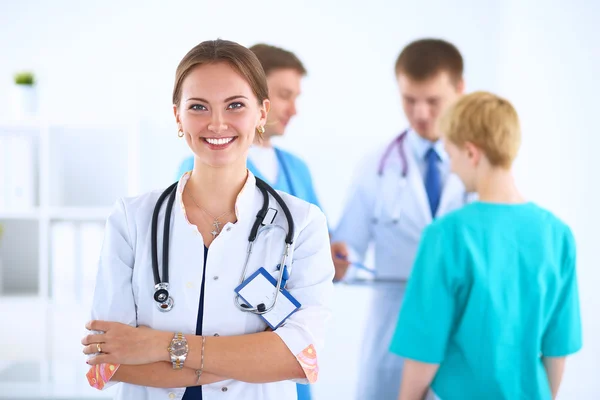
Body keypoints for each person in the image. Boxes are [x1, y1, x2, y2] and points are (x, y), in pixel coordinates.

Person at [81, 39, 334, 400]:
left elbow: (299, 360)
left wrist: (157, 345)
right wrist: (254, 356)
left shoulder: (304, 224)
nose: (217, 123)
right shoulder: (132, 220)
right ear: (177, 116)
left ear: (262, 113)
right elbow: (110, 362)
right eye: (198, 106)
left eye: (235, 105)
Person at [389, 91, 582, 400]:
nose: (451, 168)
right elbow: (557, 351)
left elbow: (424, 350)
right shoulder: (558, 234)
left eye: (451, 155)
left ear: (471, 153)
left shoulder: (445, 235)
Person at [330, 39, 469, 400]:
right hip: (395, 334)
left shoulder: (480, 165)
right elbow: (348, 249)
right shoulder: (376, 166)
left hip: (462, 334)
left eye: (433, 101)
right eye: (409, 100)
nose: (420, 113)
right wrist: (338, 258)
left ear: (459, 90)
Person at [177, 43, 322, 210]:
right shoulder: (198, 169)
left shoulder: (297, 168)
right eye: (284, 95)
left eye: (295, 98)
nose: (293, 110)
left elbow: (321, 233)